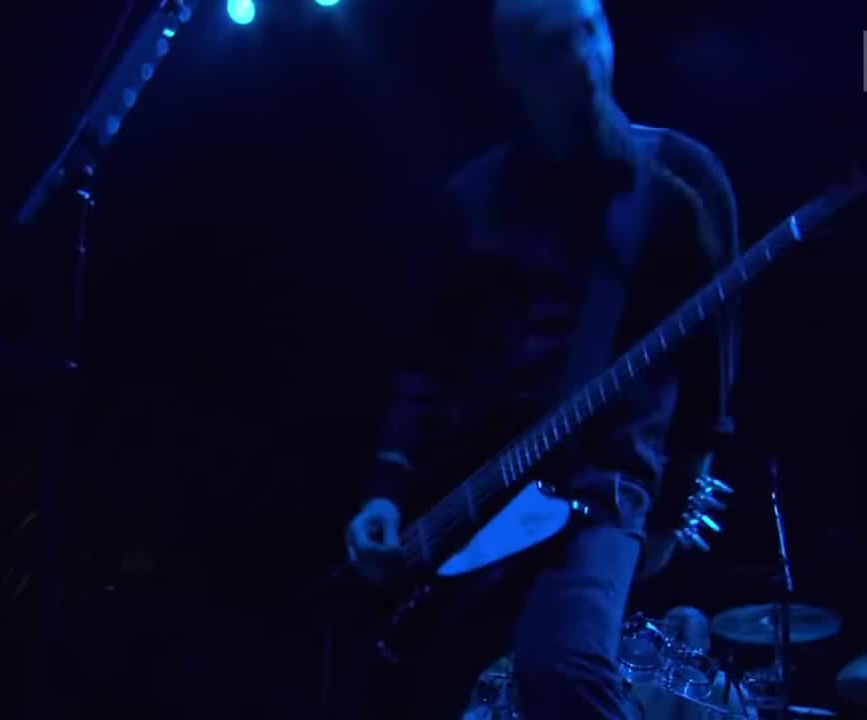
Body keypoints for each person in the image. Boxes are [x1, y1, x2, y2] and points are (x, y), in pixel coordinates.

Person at [342, 0, 740, 717]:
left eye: (591, 30)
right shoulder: (472, 200)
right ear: (512, 70)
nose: (583, 59)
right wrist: (387, 488)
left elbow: (710, 371)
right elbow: (426, 365)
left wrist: (673, 504)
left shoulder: (678, 182)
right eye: (555, 45)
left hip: (600, 488)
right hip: (479, 493)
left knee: (563, 671)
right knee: (397, 686)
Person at [629, 607, 757, 719]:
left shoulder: (723, 688)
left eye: (681, 637)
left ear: (707, 644)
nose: (676, 646)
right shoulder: (645, 685)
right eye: (668, 636)